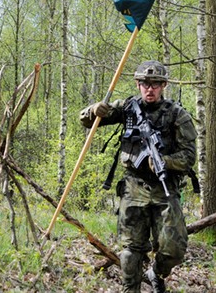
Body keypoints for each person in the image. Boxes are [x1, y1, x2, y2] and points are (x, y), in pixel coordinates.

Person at [80, 60, 197, 293]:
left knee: (173, 249)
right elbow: (87, 121)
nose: (149, 88)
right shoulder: (127, 107)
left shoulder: (177, 115)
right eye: (144, 83)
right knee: (130, 250)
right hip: (133, 187)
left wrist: (165, 162)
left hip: (165, 188)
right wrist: (94, 110)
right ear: (137, 83)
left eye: (155, 84)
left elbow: (189, 156)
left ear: (163, 85)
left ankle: (156, 272)